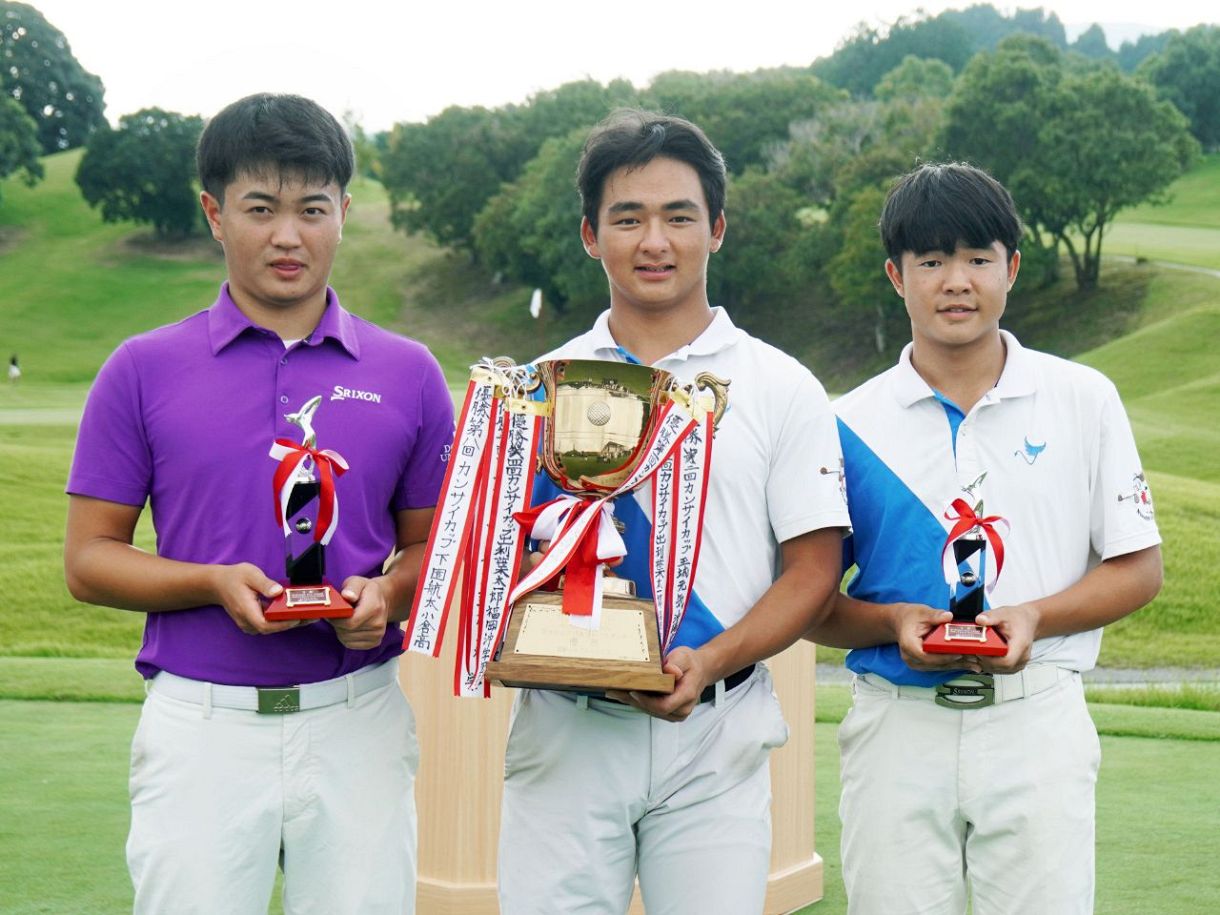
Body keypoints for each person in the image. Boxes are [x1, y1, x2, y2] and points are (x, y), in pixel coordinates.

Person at [63, 93, 454, 915]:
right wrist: (210, 583)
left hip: (359, 719)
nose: (288, 235)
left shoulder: (410, 371)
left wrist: (385, 595)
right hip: (201, 726)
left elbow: (433, 550)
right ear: (214, 213)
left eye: (313, 208)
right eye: (260, 208)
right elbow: (90, 559)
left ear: (344, 212)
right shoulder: (141, 368)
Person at [496, 110, 850, 915]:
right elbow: (495, 556)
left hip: (716, 733)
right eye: (628, 218)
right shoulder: (534, 389)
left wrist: (713, 658)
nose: (654, 240)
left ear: (716, 229)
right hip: (566, 729)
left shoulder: (780, 384)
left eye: (678, 216)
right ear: (591, 235)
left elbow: (814, 570)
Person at [806, 162, 1163, 915]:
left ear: (1013, 268)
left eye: (977, 258)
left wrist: (1035, 615)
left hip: (1036, 719)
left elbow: (1138, 567)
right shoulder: (847, 422)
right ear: (896, 276)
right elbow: (810, 600)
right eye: (931, 261)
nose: (955, 280)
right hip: (895, 726)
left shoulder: (1083, 398)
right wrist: (892, 621)